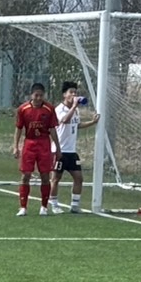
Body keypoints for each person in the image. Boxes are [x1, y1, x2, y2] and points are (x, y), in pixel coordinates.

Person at [13, 82, 62, 216]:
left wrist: (57, 148)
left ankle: (44, 207)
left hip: (44, 144)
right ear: (31, 95)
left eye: (41, 95)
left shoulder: (49, 109)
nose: (39, 98)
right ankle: (23, 207)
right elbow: (19, 128)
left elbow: (52, 129)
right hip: (29, 144)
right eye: (36, 95)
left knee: (45, 175)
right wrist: (15, 146)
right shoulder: (23, 109)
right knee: (25, 175)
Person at [52, 82, 97, 214]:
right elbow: (65, 120)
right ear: (64, 94)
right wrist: (74, 106)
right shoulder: (59, 109)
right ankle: (54, 204)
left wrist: (92, 122)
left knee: (78, 178)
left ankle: (75, 205)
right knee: (55, 179)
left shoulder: (75, 110)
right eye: (71, 92)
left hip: (71, 151)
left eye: (75, 92)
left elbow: (76, 125)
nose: (74, 95)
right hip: (59, 150)